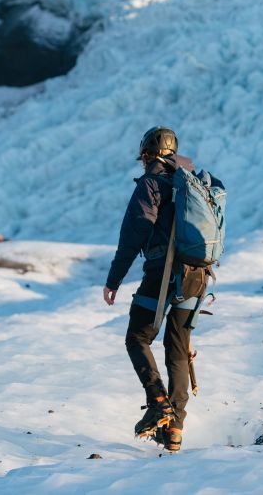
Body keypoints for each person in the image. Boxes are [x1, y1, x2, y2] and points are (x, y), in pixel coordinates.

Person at [103, 126, 207, 452]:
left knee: (137, 337)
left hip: (162, 274)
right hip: (197, 276)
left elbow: (132, 237)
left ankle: (159, 401)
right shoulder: (195, 182)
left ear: (146, 155)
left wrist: (113, 280)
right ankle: (174, 430)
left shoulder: (151, 184)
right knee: (177, 349)